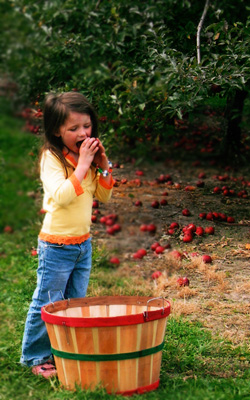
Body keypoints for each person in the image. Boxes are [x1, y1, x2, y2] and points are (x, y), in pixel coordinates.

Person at [20, 91, 114, 378]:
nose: (82, 133)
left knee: (74, 302)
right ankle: (36, 356)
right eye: (73, 128)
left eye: (86, 126)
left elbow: (105, 196)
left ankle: (66, 351)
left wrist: (104, 165)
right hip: (56, 244)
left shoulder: (86, 158)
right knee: (48, 302)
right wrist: (84, 165)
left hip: (82, 243)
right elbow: (60, 197)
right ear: (56, 131)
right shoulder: (52, 158)